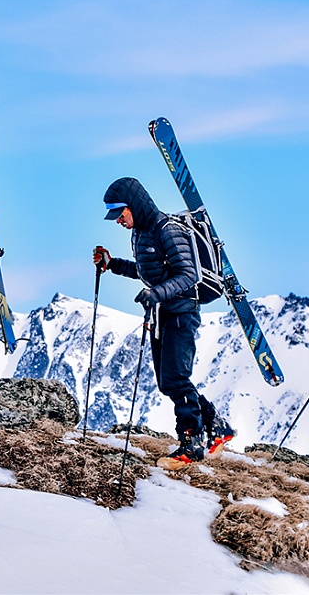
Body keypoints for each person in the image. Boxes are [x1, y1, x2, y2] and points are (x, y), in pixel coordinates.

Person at [93, 177, 235, 469]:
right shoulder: (142, 233)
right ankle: (217, 428)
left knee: (176, 379)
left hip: (182, 313)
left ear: (135, 204)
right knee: (168, 382)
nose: (118, 220)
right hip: (162, 313)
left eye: (121, 213)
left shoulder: (166, 230)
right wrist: (113, 264)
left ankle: (190, 446)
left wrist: (155, 294)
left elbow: (188, 275)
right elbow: (149, 272)